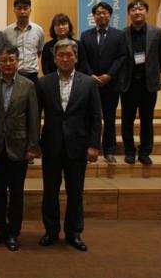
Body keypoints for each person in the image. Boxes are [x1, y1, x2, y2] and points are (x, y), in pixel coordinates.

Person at [36, 39, 101, 252]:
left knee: (75, 192)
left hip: (78, 146)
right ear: (54, 59)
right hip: (51, 146)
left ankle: (74, 233)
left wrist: (94, 145)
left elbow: (96, 116)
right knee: (50, 192)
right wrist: (34, 144)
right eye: (61, 55)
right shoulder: (44, 83)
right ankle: (51, 231)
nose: (65, 59)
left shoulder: (88, 83)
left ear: (76, 57)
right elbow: (35, 117)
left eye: (69, 55)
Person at [0, 45, 40, 251]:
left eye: (11, 60)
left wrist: (33, 146)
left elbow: (34, 118)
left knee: (17, 193)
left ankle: (13, 232)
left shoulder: (28, 85)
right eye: (3, 60)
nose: (8, 64)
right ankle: (0, 229)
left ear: (18, 62)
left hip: (19, 146)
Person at [120, 0, 161, 165]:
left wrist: (154, 72)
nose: (137, 12)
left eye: (140, 9)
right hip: (129, 83)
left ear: (146, 12)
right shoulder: (123, 33)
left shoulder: (158, 32)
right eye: (133, 9)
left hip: (148, 84)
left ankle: (145, 151)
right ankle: (129, 150)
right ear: (129, 14)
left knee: (147, 119)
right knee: (127, 119)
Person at [80, 2, 127, 164]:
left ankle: (109, 150)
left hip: (111, 84)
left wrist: (109, 75)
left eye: (104, 12)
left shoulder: (119, 35)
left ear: (110, 15)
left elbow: (122, 57)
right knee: (90, 117)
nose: (101, 15)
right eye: (98, 13)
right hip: (90, 84)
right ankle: (90, 148)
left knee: (109, 117)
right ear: (93, 16)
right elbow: (83, 59)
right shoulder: (85, 35)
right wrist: (91, 76)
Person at [3, 0, 44, 84]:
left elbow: (38, 52)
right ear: (14, 10)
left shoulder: (38, 30)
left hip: (32, 75)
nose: (22, 11)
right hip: (13, 75)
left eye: (25, 8)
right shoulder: (6, 32)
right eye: (19, 8)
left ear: (30, 10)